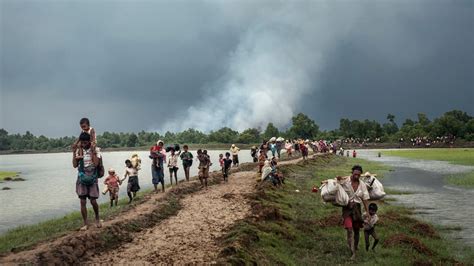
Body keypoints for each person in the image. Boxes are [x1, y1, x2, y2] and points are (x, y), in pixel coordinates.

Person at [337, 165, 370, 260]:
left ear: (360, 175)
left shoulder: (362, 185)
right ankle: (353, 253)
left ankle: (355, 246)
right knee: (349, 229)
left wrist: (367, 212)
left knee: (356, 230)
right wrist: (338, 179)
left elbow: (365, 198)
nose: (356, 176)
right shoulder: (345, 181)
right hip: (347, 209)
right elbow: (336, 186)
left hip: (357, 209)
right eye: (355, 174)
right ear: (352, 173)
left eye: (358, 175)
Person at [72, 132, 101, 230]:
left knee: (93, 201)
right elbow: (75, 165)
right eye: (82, 143)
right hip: (82, 176)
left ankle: (97, 218)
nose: (84, 145)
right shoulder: (78, 151)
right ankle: (85, 223)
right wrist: (74, 152)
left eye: (85, 143)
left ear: (89, 141)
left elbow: (96, 163)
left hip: (92, 176)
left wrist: (93, 151)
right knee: (82, 201)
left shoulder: (96, 149)